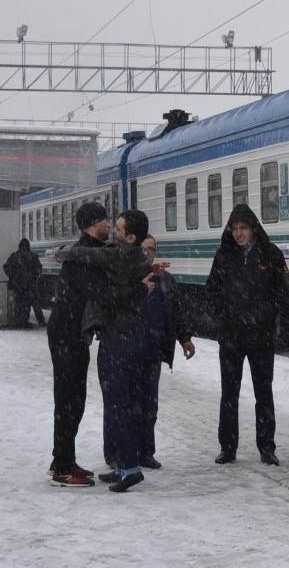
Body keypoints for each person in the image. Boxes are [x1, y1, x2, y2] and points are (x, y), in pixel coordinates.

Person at [58, 209, 156, 493]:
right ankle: (122, 464)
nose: (114, 230)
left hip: (118, 338)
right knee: (121, 402)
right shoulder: (136, 255)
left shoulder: (120, 255)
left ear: (131, 237)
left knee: (118, 403)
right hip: (130, 335)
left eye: (120, 228)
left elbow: (88, 255)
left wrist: (62, 254)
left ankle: (129, 467)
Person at [206, 204, 289, 466]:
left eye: (243, 228)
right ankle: (227, 447)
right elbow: (211, 291)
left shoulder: (271, 255)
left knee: (263, 392)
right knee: (229, 394)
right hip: (232, 337)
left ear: (253, 229)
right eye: (234, 229)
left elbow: (285, 288)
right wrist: (224, 316)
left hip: (261, 337)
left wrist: (266, 313)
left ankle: (267, 447)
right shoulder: (223, 256)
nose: (238, 234)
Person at [104, 235, 195, 470]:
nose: (147, 254)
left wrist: (184, 338)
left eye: (151, 250)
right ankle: (118, 454)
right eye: (143, 250)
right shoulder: (127, 278)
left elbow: (176, 311)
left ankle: (146, 451)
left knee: (149, 404)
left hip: (152, 351)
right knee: (124, 404)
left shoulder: (166, 281)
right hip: (127, 349)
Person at [45, 203, 109, 487]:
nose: (109, 226)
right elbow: (98, 292)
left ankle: (64, 459)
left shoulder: (85, 252)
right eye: (106, 221)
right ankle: (61, 467)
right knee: (68, 400)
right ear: (95, 223)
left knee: (75, 400)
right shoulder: (84, 255)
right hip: (67, 334)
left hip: (71, 333)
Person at [3, 238, 45, 327]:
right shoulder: (33, 256)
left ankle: (20, 321)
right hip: (30, 285)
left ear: (20, 246)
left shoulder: (14, 256)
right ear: (28, 246)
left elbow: (6, 267)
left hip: (18, 284)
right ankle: (40, 321)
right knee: (34, 303)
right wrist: (34, 277)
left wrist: (13, 276)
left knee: (19, 303)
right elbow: (39, 269)